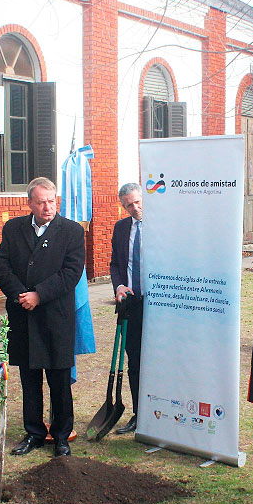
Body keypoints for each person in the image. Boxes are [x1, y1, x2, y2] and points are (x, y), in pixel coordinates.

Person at [0, 177, 85, 457]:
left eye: (51, 201)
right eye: (41, 201)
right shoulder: (13, 228)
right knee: (29, 380)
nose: (47, 207)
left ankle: (61, 436)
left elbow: (71, 273)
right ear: (30, 203)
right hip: (23, 316)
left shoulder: (71, 231)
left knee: (59, 380)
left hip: (55, 317)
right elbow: (2, 264)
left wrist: (39, 295)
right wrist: (21, 294)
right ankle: (33, 432)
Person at [108, 182, 144, 435]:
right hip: (132, 304)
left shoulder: (163, 224)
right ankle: (139, 414)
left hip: (161, 303)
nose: (135, 208)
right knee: (135, 361)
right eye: (129, 205)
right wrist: (119, 286)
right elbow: (115, 264)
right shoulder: (121, 228)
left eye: (138, 202)